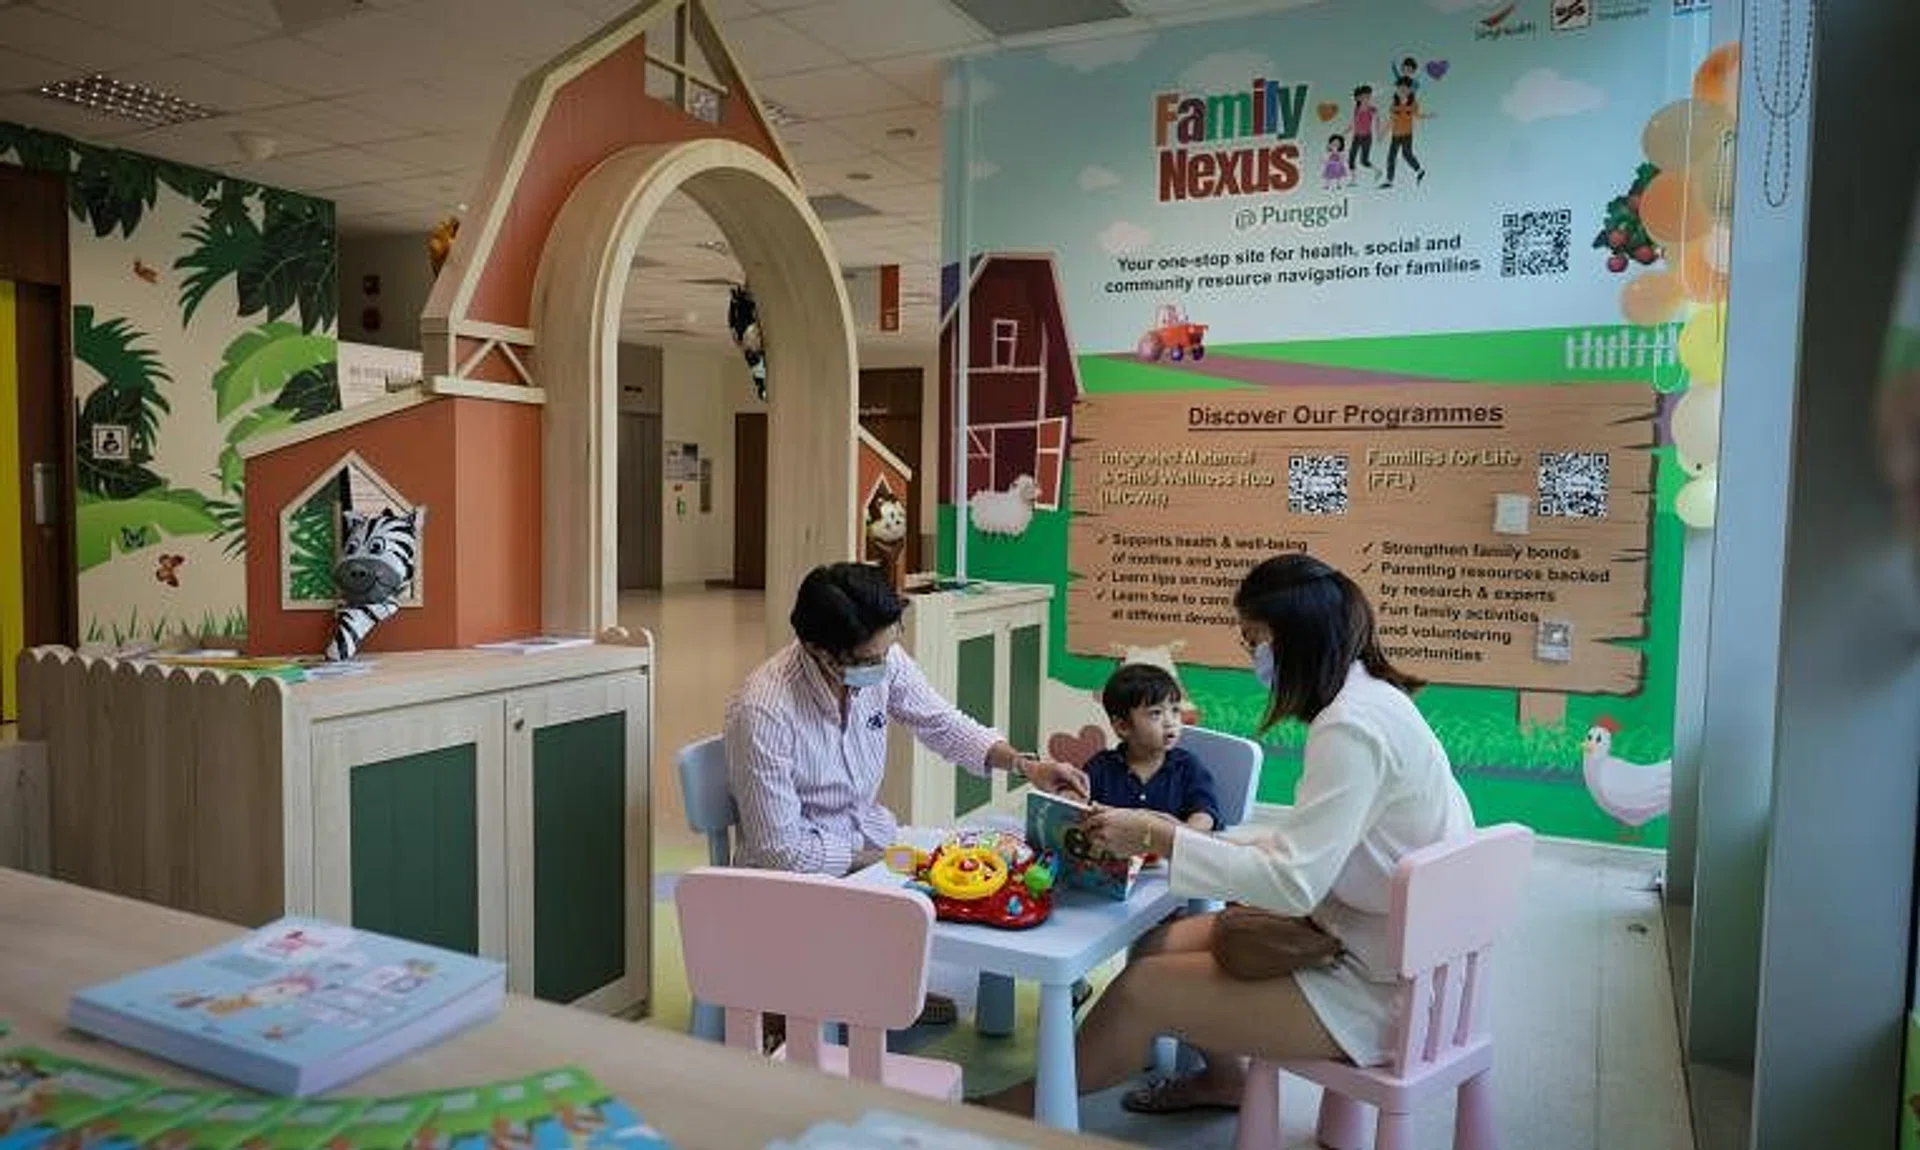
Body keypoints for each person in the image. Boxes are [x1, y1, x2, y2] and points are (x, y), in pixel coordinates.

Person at [981, 553, 1475, 1116]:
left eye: (1256, 640)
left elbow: (1292, 883)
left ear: (1298, 637)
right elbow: (1315, 846)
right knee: (1155, 945)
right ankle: (1222, 1080)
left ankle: (1023, 1107)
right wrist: (1177, 834)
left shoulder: (1350, 727)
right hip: (1383, 943)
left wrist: (1164, 840)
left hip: (1377, 987)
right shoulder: (1374, 700)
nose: (1254, 659)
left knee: (1141, 991)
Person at [726, 562, 1090, 1034]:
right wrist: (889, 862)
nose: (881, 666)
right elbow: (781, 853)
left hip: (870, 841)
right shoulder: (765, 710)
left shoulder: (881, 660)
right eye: (866, 660)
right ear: (819, 651)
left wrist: (1027, 765)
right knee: (948, 878)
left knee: (998, 857)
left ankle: (883, 987)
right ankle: (827, 998)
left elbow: (941, 723)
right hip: (795, 876)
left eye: (887, 647)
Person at [1084, 663, 1222, 834]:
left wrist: (1185, 834)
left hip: (1169, 856)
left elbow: (1205, 814)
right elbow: (1078, 809)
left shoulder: (1188, 766)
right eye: (1156, 713)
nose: (1170, 722)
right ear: (1122, 726)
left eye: (1175, 710)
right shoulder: (1099, 767)